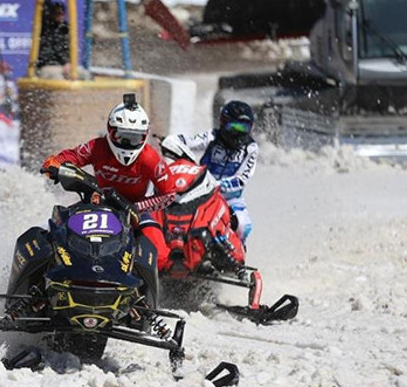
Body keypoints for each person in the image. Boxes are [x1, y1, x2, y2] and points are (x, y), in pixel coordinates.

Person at [40, 95, 173, 270]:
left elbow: (169, 194)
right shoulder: (97, 146)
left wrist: (137, 207)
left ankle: (145, 293)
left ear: (144, 136)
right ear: (110, 130)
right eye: (121, 136)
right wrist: (54, 164)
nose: (127, 143)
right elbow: (71, 156)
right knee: (49, 237)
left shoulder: (150, 158)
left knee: (161, 255)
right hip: (95, 204)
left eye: (134, 138)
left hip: (134, 211)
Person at [173, 100, 257, 243]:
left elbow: (242, 179)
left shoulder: (251, 148)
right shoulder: (212, 136)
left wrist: (219, 184)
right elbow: (191, 141)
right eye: (233, 127)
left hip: (230, 198)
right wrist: (174, 140)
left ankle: (238, 258)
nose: (237, 133)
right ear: (223, 123)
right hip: (202, 192)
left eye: (242, 128)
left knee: (243, 225)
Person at [36, 0, 70, 79]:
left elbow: (65, 49)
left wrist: (67, 63)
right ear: (52, 14)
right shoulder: (46, 27)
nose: (60, 15)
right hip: (47, 65)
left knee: (84, 74)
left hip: (63, 65)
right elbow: (43, 10)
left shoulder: (65, 28)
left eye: (62, 13)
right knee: (57, 77)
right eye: (57, 13)